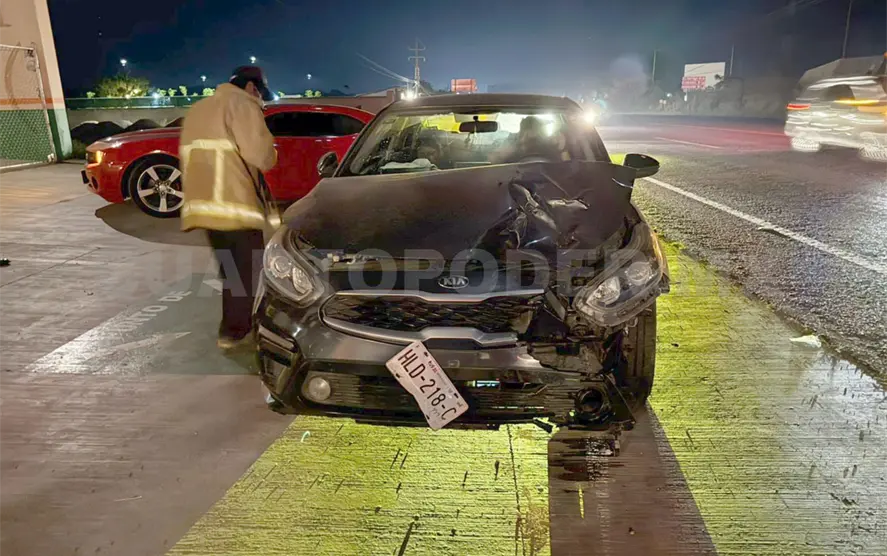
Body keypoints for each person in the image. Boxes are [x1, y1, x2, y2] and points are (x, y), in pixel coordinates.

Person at [179, 66, 277, 349]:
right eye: (260, 93)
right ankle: (236, 332)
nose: (260, 99)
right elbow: (261, 156)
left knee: (231, 271)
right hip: (235, 206)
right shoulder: (243, 105)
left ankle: (232, 328)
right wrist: (272, 150)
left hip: (204, 207)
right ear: (251, 87)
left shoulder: (199, 108)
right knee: (245, 273)